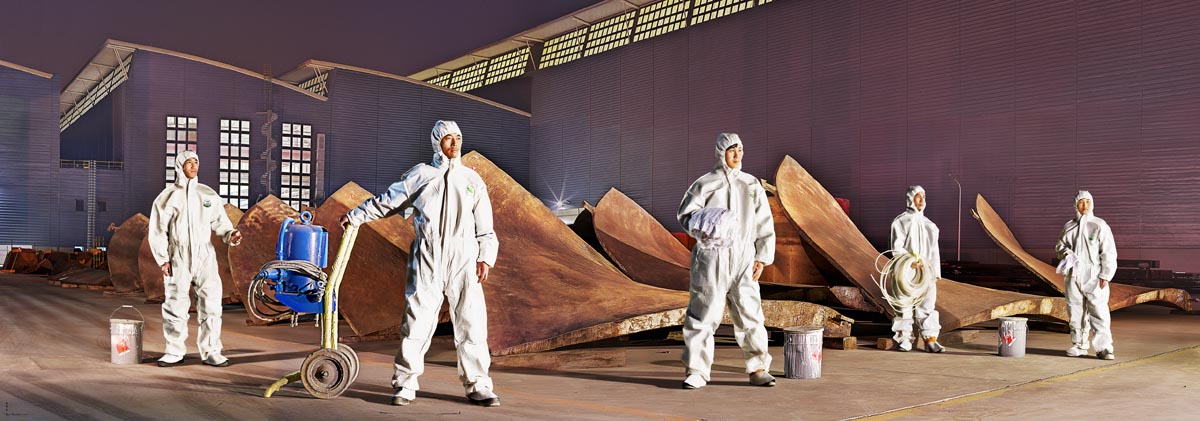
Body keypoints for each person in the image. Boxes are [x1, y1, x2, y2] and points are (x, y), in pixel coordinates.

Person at [340, 121, 501, 407]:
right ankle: (405, 384)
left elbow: (485, 226)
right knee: (417, 321)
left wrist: (485, 257)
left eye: (458, 138)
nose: (454, 144)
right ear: (437, 142)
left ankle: (478, 385)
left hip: (464, 259)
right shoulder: (421, 175)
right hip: (428, 257)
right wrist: (355, 216)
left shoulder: (472, 180)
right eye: (448, 138)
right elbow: (387, 202)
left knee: (472, 323)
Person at [676, 133, 776, 390]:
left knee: (750, 314)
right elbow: (685, 215)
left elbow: (765, 223)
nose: (736, 155)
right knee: (703, 313)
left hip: (744, 259)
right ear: (721, 153)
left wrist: (762, 258)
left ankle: (758, 369)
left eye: (739, 150)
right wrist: (706, 222)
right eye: (731, 150)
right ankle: (697, 371)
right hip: (711, 258)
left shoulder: (751, 185)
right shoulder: (704, 184)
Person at [148, 150, 243, 367]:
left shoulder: (208, 195)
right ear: (179, 166)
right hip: (178, 256)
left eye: (196, 162)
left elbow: (221, 223)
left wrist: (231, 235)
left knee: (211, 304)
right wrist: (163, 258)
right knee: (175, 304)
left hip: (204, 255)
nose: (193, 166)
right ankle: (174, 351)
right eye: (188, 162)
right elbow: (158, 230)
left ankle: (211, 351)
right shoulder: (167, 197)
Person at [1055, 191, 1117, 360]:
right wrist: (1066, 253)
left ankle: (1104, 348)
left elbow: (1108, 251)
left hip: (1094, 274)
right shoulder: (1069, 226)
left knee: (1099, 310)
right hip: (1073, 274)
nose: (1085, 206)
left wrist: (1106, 274)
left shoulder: (1099, 225)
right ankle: (1079, 345)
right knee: (1075, 311)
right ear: (1076, 205)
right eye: (1081, 202)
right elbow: (1060, 246)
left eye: (1088, 202)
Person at [888, 186, 945, 353]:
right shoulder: (901, 221)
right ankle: (904, 339)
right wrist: (909, 261)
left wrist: (934, 273)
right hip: (906, 270)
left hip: (925, 272)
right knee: (903, 304)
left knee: (927, 304)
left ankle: (930, 339)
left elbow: (934, 252)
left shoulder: (930, 226)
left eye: (923, 197)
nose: (921, 200)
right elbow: (896, 246)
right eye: (918, 197)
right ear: (910, 199)